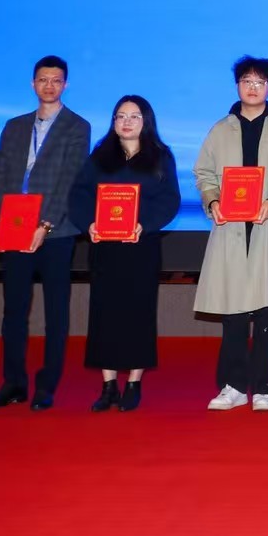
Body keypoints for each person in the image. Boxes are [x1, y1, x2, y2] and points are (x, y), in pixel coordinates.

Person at [193, 56, 268, 413]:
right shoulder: (220, 129)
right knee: (233, 312)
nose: (253, 87)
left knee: (267, 312)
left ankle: (263, 388)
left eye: (260, 82)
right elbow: (204, 173)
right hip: (229, 228)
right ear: (237, 85)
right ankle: (232, 386)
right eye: (247, 81)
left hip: (267, 226)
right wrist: (212, 201)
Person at [0, 56, 91, 412]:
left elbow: (70, 179)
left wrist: (46, 225)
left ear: (65, 85)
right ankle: (13, 383)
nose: (49, 86)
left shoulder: (77, 126)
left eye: (56, 80)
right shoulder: (14, 126)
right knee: (14, 309)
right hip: (14, 225)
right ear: (32, 83)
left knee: (56, 311)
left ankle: (47, 385)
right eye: (43, 79)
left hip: (56, 231)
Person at [69, 95, 181, 412]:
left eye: (134, 116)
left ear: (146, 121)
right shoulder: (100, 156)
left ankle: (133, 381)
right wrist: (88, 224)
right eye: (120, 116)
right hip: (105, 248)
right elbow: (79, 195)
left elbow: (170, 200)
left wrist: (144, 225)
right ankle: (108, 386)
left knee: (138, 313)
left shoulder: (160, 156)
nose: (126, 122)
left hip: (140, 248)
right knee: (104, 313)